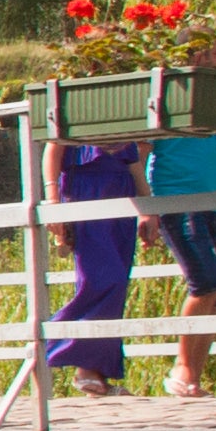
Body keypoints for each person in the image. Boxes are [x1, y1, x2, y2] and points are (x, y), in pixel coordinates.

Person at [145, 37, 216, 400]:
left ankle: (192, 377)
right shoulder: (166, 99)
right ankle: (182, 368)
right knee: (205, 282)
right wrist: (147, 209)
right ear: (197, 54)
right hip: (177, 201)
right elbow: (143, 153)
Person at [42, 126, 141, 400]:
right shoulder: (79, 111)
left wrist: (149, 210)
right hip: (87, 188)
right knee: (102, 277)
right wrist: (53, 200)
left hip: (122, 191)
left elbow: (133, 161)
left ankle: (96, 374)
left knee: (118, 282)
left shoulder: (122, 113)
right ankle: (56, 342)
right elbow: (53, 147)